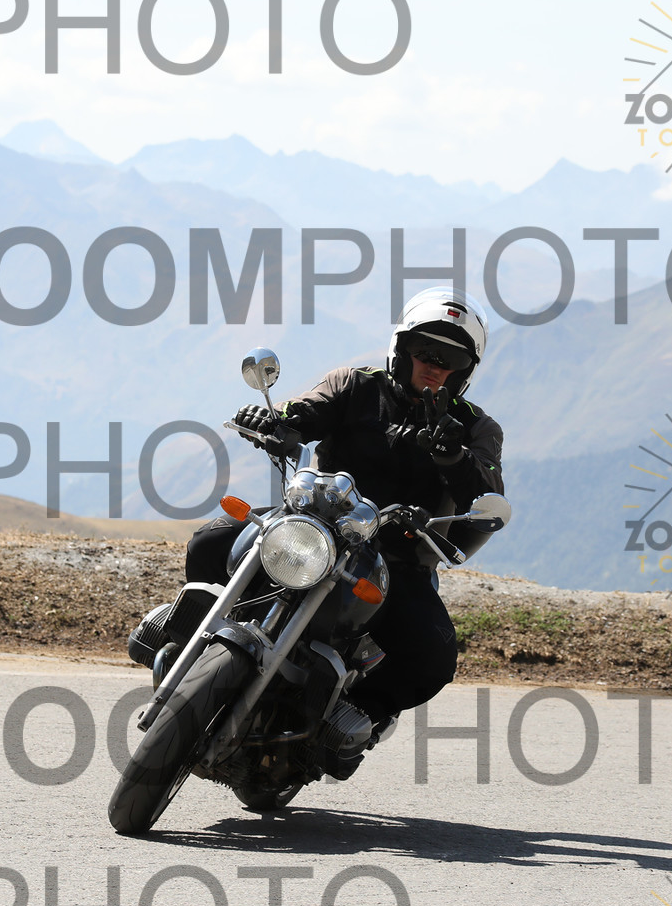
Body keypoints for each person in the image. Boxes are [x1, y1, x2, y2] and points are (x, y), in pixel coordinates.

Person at [183, 287, 504, 729]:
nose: (434, 365)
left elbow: (487, 494)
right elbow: (305, 412)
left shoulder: (477, 428)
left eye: (450, 358)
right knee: (212, 540)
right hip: (314, 528)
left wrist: (453, 456)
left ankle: (351, 721)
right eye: (423, 350)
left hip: (396, 562)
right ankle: (190, 645)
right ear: (401, 349)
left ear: (465, 370)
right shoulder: (354, 385)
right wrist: (276, 422)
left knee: (433, 656)